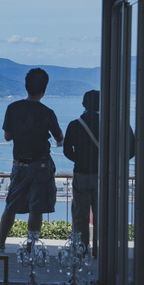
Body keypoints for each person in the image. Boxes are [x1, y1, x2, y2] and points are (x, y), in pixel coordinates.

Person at [0, 68, 64, 252]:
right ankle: (31, 246)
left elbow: (7, 136)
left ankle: (1, 243)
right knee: (36, 208)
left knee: (11, 205)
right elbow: (59, 137)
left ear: (26, 86)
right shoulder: (48, 112)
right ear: (44, 90)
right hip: (42, 164)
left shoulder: (13, 108)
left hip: (20, 164)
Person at [63, 90, 100, 254]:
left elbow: (66, 150)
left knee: (80, 215)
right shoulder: (111, 122)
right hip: (104, 175)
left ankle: (81, 249)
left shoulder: (75, 124)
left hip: (81, 173)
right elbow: (131, 147)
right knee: (104, 215)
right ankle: (102, 250)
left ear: (84, 104)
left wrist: (79, 159)